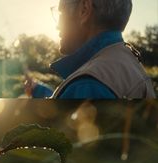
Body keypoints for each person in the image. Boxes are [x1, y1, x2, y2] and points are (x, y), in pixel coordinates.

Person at [25, 0, 156, 99]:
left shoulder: (87, 84)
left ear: (84, 10)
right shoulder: (127, 62)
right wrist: (39, 90)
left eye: (60, 12)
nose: (57, 26)